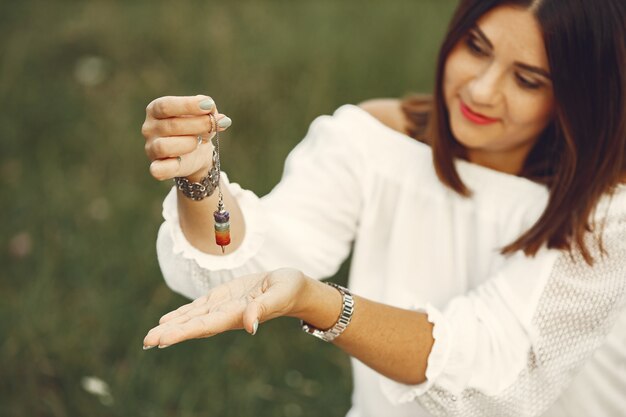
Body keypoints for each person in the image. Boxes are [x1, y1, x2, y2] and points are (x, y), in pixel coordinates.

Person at [140, 0, 626, 416]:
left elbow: (492, 378)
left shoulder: (606, 209)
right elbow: (243, 271)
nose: (481, 90)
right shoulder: (376, 141)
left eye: (527, 79)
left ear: (578, 98)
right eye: (476, 48)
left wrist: (323, 304)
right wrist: (201, 181)